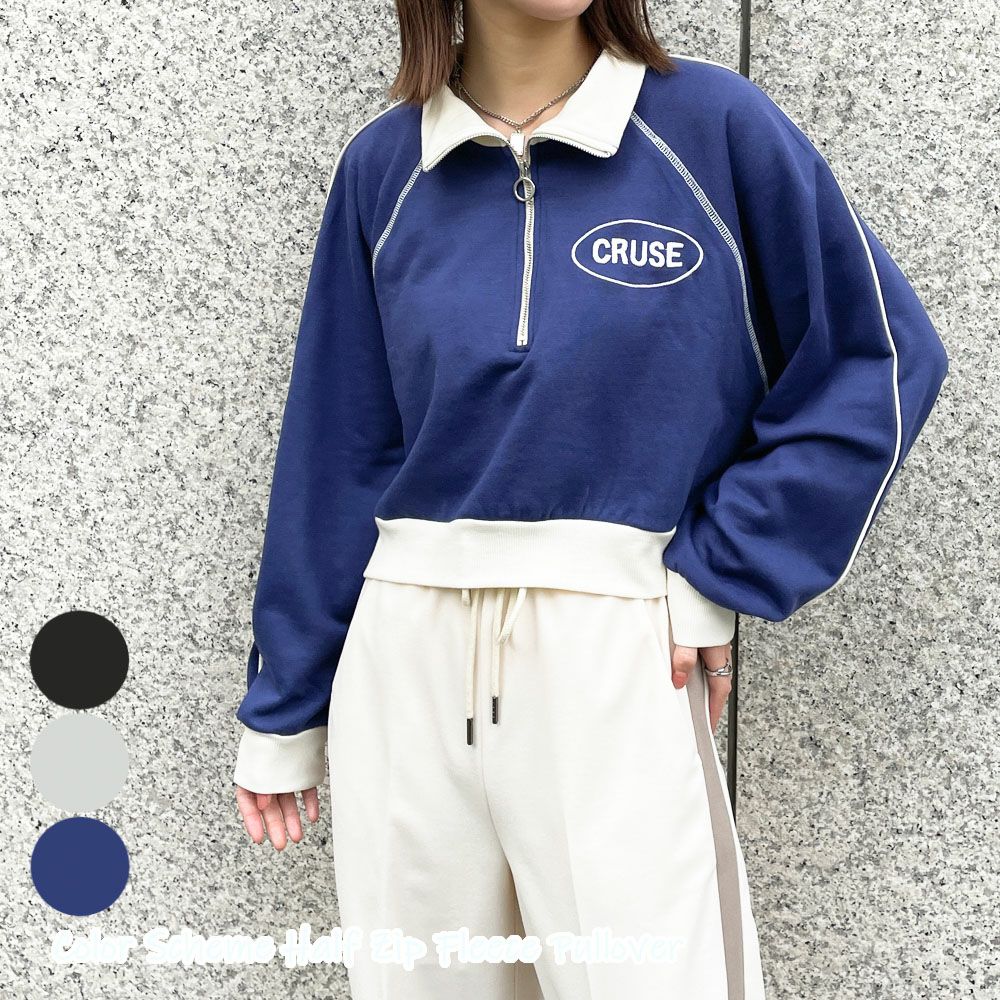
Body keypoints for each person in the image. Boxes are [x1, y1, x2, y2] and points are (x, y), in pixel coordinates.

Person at [231, 2, 949, 998]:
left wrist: (720, 569)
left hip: (617, 651)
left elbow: (878, 362)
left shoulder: (713, 129)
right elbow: (337, 446)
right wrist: (285, 707)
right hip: (404, 664)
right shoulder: (384, 167)